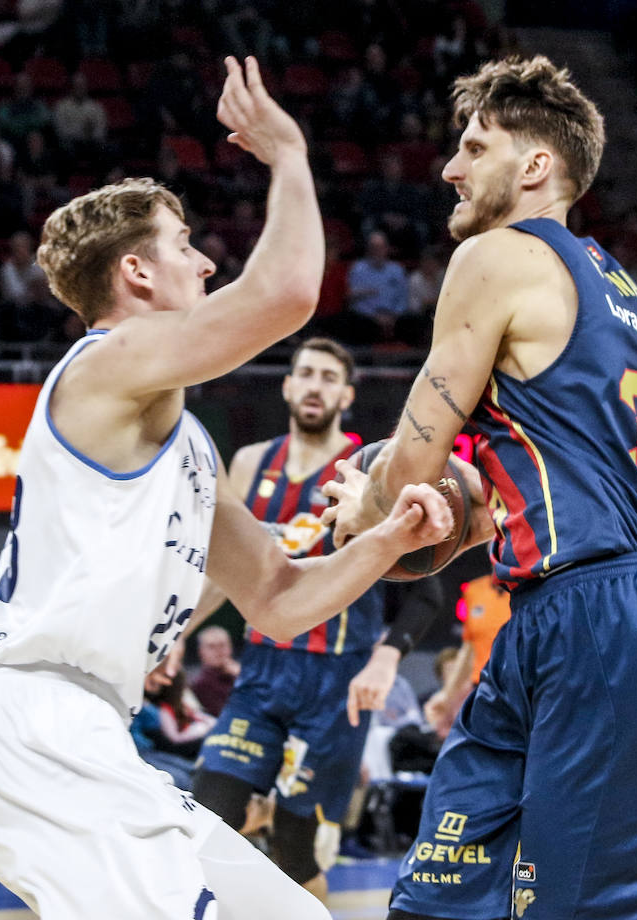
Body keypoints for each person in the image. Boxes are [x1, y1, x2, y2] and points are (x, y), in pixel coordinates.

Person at [0, 56, 452, 920]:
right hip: (36, 730)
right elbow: (286, 293)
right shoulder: (104, 365)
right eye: (184, 246)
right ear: (136, 273)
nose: (208, 263)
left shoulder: (186, 447)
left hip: (88, 736)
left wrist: (388, 540)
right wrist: (289, 155)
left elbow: (280, 601)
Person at [323, 56, 637, 920]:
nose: (449, 169)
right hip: (565, 614)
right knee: (440, 892)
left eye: (473, 147)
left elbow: (410, 469)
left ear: (535, 165)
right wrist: (498, 506)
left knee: (586, 909)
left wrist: (366, 510)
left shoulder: (494, 256)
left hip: (593, 617)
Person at [178, 338, 445, 904]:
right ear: (287, 386)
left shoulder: (372, 471)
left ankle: (278, 833)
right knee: (207, 813)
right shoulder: (250, 463)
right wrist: (176, 634)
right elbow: (226, 573)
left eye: (329, 377)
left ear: (346, 395)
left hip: (335, 682)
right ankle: (252, 820)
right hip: (262, 671)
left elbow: (427, 590)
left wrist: (385, 658)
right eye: (306, 373)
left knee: (295, 853)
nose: (315, 385)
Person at [421, 574, 510, 737]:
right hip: (481, 689)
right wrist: (447, 695)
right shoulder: (474, 590)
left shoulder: (528, 589)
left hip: (515, 688)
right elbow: (469, 649)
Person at [189, 625, 239, 717]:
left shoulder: (240, 673)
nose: (218, 651)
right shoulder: (201, 684)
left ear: (231, 647)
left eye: (222, 645)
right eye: (211, 647)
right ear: (201, 652)